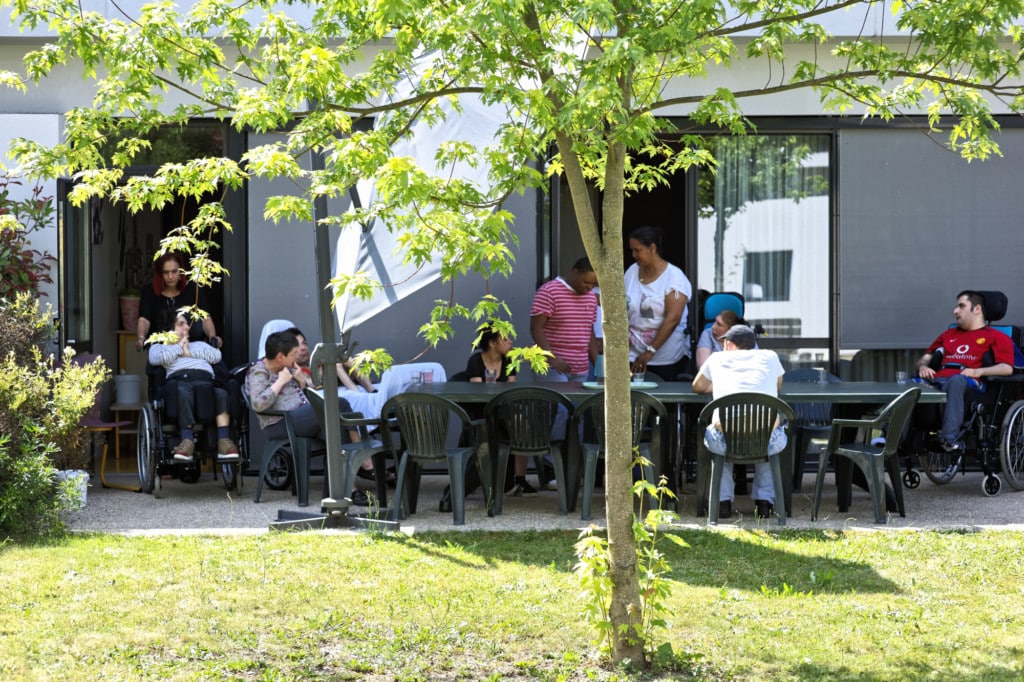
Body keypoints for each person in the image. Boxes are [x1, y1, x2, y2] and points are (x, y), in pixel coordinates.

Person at [245, 330, 381, 505]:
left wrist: (301, 381)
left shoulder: (287, 367)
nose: (297, 357)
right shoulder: (258, 371)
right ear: (280, 356)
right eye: (293, 353)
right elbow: (257, 404)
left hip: (303, 419)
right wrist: (281, 381)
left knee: (337, 426)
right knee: (337, 404)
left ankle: (350, 489)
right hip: (281, 424)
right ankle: (365, 463)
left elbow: (300, 395)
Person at [692, 324, 786, 519]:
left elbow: (697, 386)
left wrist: (719, 385)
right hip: (766, 440)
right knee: (765, 436)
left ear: (729, 344)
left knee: (722, 438)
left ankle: (723, 503)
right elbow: (777, 387)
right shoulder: (770, 356)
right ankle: (764, 503)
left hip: (725, 440)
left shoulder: (717, 358)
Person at [916, 290, 1014, 451]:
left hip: (970, 383)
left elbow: (1007, 368)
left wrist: (978, 372)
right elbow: (925, 358)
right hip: (938, 381)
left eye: (961, 306)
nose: (955, 311)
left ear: (977, 309)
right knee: (908, 384)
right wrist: (923, 367)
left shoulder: (997, 336)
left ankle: (949, 439)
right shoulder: (948, 334)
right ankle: (889, 440)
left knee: (955, 380)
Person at [148, 313, 238, 462]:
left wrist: (189, 352)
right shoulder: (158, 347)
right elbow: (158, 359)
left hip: (206, 381)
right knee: (182, 393)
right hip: (181, 381)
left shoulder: (199, 345)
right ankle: (187, 440)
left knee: (221, 394)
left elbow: (216, 356)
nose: (186, 326)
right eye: (180, 324)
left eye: (186, 323)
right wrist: (178, 347)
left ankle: (223, 441)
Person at [625, 225, 692, 382]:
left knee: (660, 404)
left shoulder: (674, 277)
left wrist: (649, 352)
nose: (633, 255)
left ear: (652, 248)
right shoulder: (631, 271)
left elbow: (673, 318)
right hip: (633, 355)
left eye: (637, 250)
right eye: (632, 250)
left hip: (664, 359)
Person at [530, 257, 599, 383]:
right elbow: (536, 328)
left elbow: (589, 334)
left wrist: (599, 369)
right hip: (551, 367)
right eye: (586, 282)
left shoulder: (591, 298)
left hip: (581, 369)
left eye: (593, 284)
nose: (589, 287)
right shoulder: (549, 291)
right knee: (558, 402)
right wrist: (552, 358)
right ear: (575, 272)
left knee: (578, 403)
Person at [136, 252, 220, 351]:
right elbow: (144, 319)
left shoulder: (194, 290)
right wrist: (141, 338)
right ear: (160, 274)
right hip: (161, 351)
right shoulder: (149, 291)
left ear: (181, 272)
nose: (170, 276)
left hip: (192, 348)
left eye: (174, 271)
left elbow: (205, 318)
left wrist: (212, 337)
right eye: (166, 272)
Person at [287, 326, 377, 393]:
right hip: (320, 394)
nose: (303, 348)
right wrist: (322, 370)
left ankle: (372, 390)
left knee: (345, 359)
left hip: (341, 383)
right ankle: (358, 394)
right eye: (297, 345)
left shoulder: (313, 360)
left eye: (304, 343)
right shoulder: (293, 369)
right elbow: (308, 386)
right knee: (334, 362)